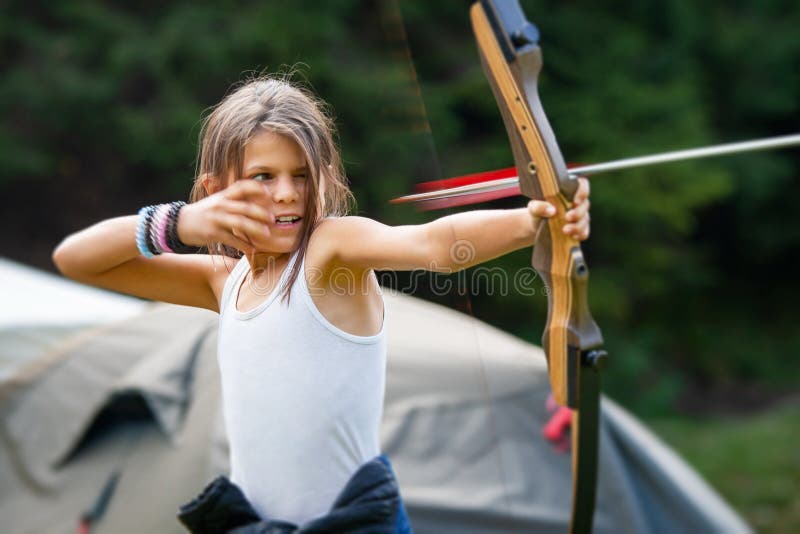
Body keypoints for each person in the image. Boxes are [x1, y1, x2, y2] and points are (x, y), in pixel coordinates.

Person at [52, 75, 591, 533]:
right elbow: (78, 259)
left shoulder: (330, 250)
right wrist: (181, 222)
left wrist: (535, 223)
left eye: (302, 176)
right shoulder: (224, 282)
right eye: (263, 177)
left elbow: (433, 244)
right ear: (214, 188)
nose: (286, 193)